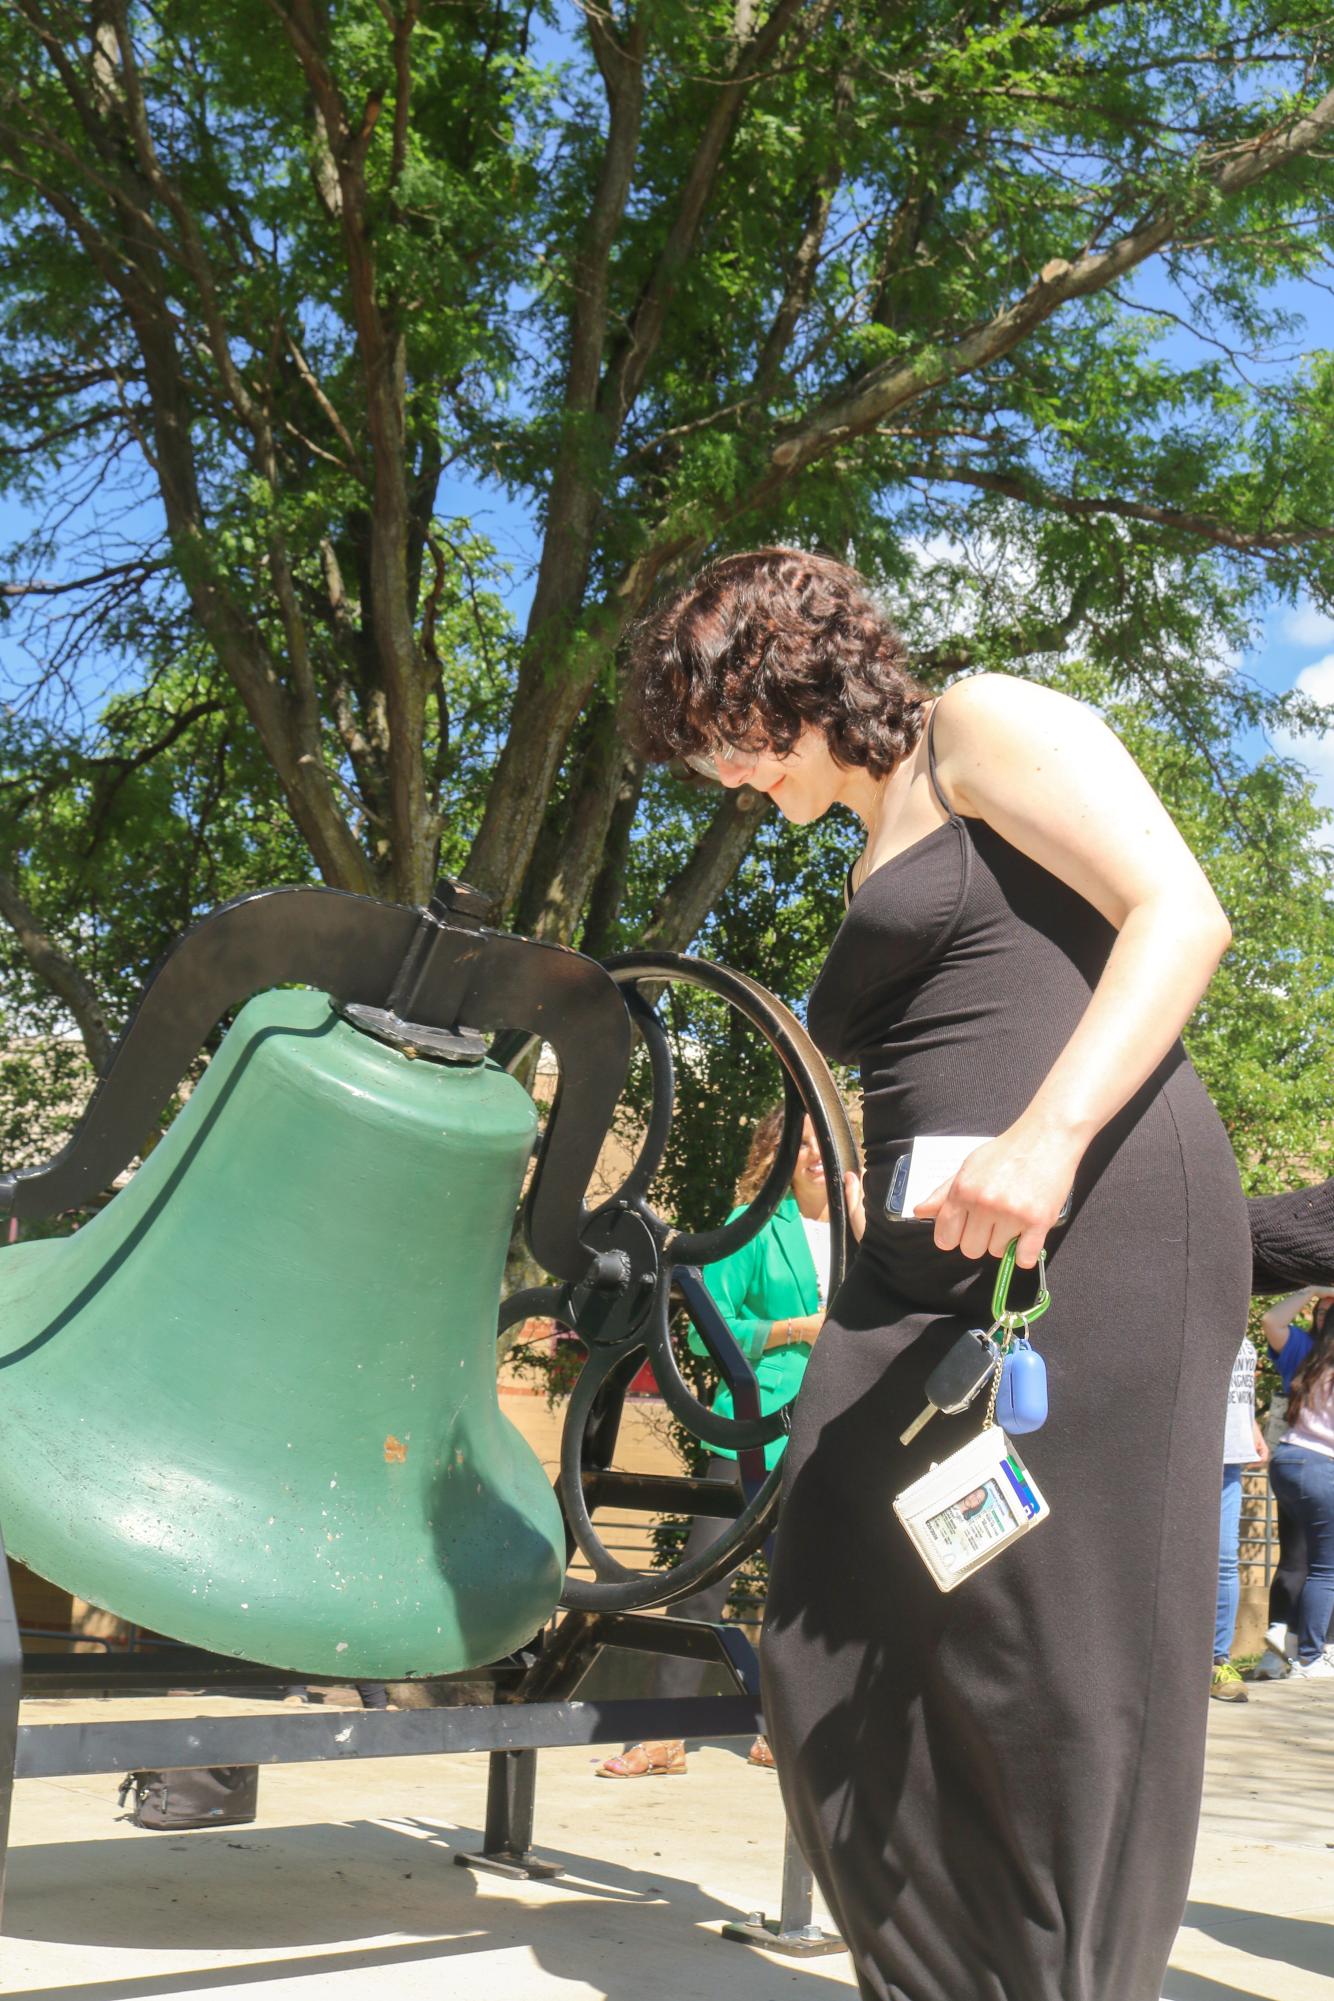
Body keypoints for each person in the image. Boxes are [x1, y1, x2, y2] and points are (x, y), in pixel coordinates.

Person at [628, 546, 1247, 2001]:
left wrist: (1047, 1135)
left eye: (721, 739)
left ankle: (1071, 1976)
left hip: (1090, 1221)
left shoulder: (983, 722)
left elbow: (1181, 915)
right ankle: (956, 1973)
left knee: (1055, 1643)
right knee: (834, 1593)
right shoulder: (869, 833)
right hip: (930, 1264)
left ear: (774, 675)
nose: (726, 778)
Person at [596, 1106, 829, 1779]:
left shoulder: (857, 1231)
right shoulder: (754, 1227)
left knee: (805, 1592)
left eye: (822, 1143)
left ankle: (783, 1733)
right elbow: (705, 1331)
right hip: (752, 1425)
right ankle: (665, 1734)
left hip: (827, 1424)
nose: (814, 1155)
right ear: (776, 1155)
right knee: (702, 1577)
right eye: (799, 1144)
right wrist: (795, 1329)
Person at [1257, 1285, 1334, 1678]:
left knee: (1296, 1558)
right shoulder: (1303, 1349)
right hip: (1322, 1465)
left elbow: (1272, 1319)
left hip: (1288, 1461)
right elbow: (1271, 1322)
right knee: (1324, 1567)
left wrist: (1309, 1291)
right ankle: (1311, 1653)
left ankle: (1279, 1643)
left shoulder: (1304, 1352)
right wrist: (1314, 1289)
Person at [1211, 1336, 1268, 1701]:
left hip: (1231, 1458)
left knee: (1226, 1561)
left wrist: (1254, 1428)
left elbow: (1239, 1388)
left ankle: (1218, 1661)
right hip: (1195, 1452)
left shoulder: (1238, 1313)